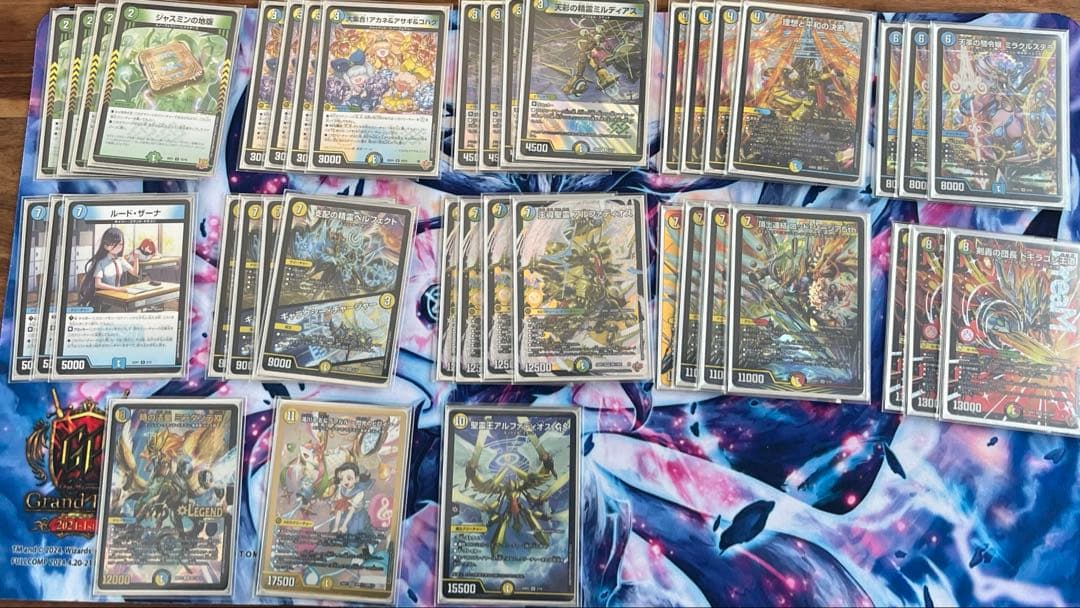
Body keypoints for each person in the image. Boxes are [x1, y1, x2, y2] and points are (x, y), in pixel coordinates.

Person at [78, 227, 141, 307]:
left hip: (117, 295)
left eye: (120, 244)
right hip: (103, 298)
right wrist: (118, 289)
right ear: (105, 246)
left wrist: (136, 259)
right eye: (114, 244)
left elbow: (135, 273)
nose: (118, 247)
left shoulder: (120, 260)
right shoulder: (100, 262)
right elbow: (98, 284)